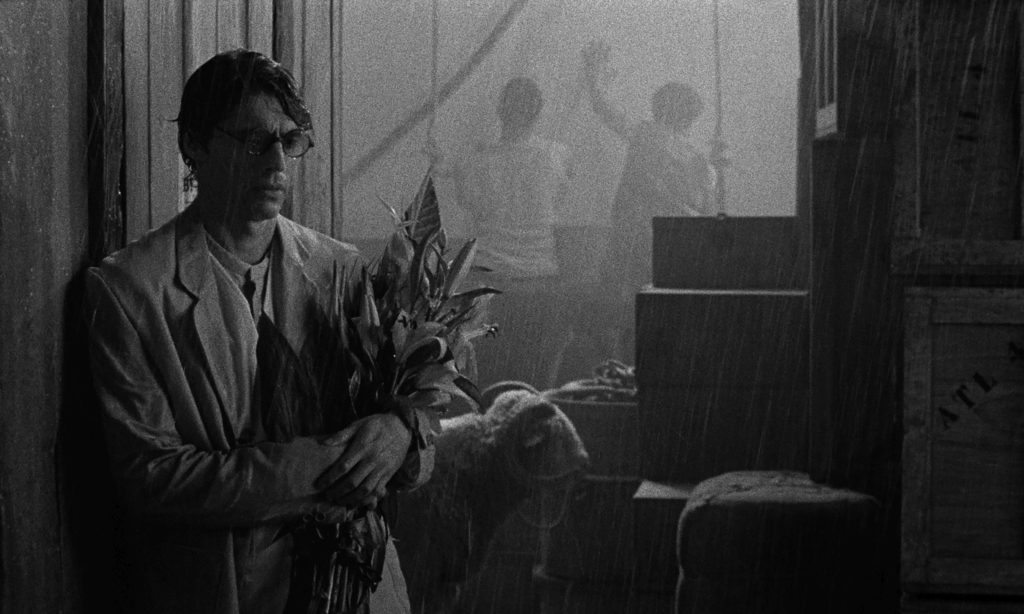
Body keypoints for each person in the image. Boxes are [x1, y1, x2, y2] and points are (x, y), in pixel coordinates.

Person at [84, 49, 433, 614]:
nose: (277, 164)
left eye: (288, 141)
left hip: (356, 587)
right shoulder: (130, 291)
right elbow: (152, 477)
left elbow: (414, 438)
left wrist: (401, 433)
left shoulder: (338, 269)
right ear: (194, 144)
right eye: (253, 141)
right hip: (227, 590)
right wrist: (327, 466)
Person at [429, 77, 574, 388]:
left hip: (489, 279)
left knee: (489, 374)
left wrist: (444, 164)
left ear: (500, 110)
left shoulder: (476, 159)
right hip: (539, 277)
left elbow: (469, 201)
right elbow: (558, 198)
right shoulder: (558, 154)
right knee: (533, 375)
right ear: (538, 112)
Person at [581, 40, 720, 360]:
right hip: (670, 248)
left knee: (617, 311)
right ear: (691, 118)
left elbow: (602, 106)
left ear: (658, 109)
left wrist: (594, 73)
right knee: (652, 314)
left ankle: (621, 364)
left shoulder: (644, 134)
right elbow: (708, 214)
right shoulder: (699, 162)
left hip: (630, 239)